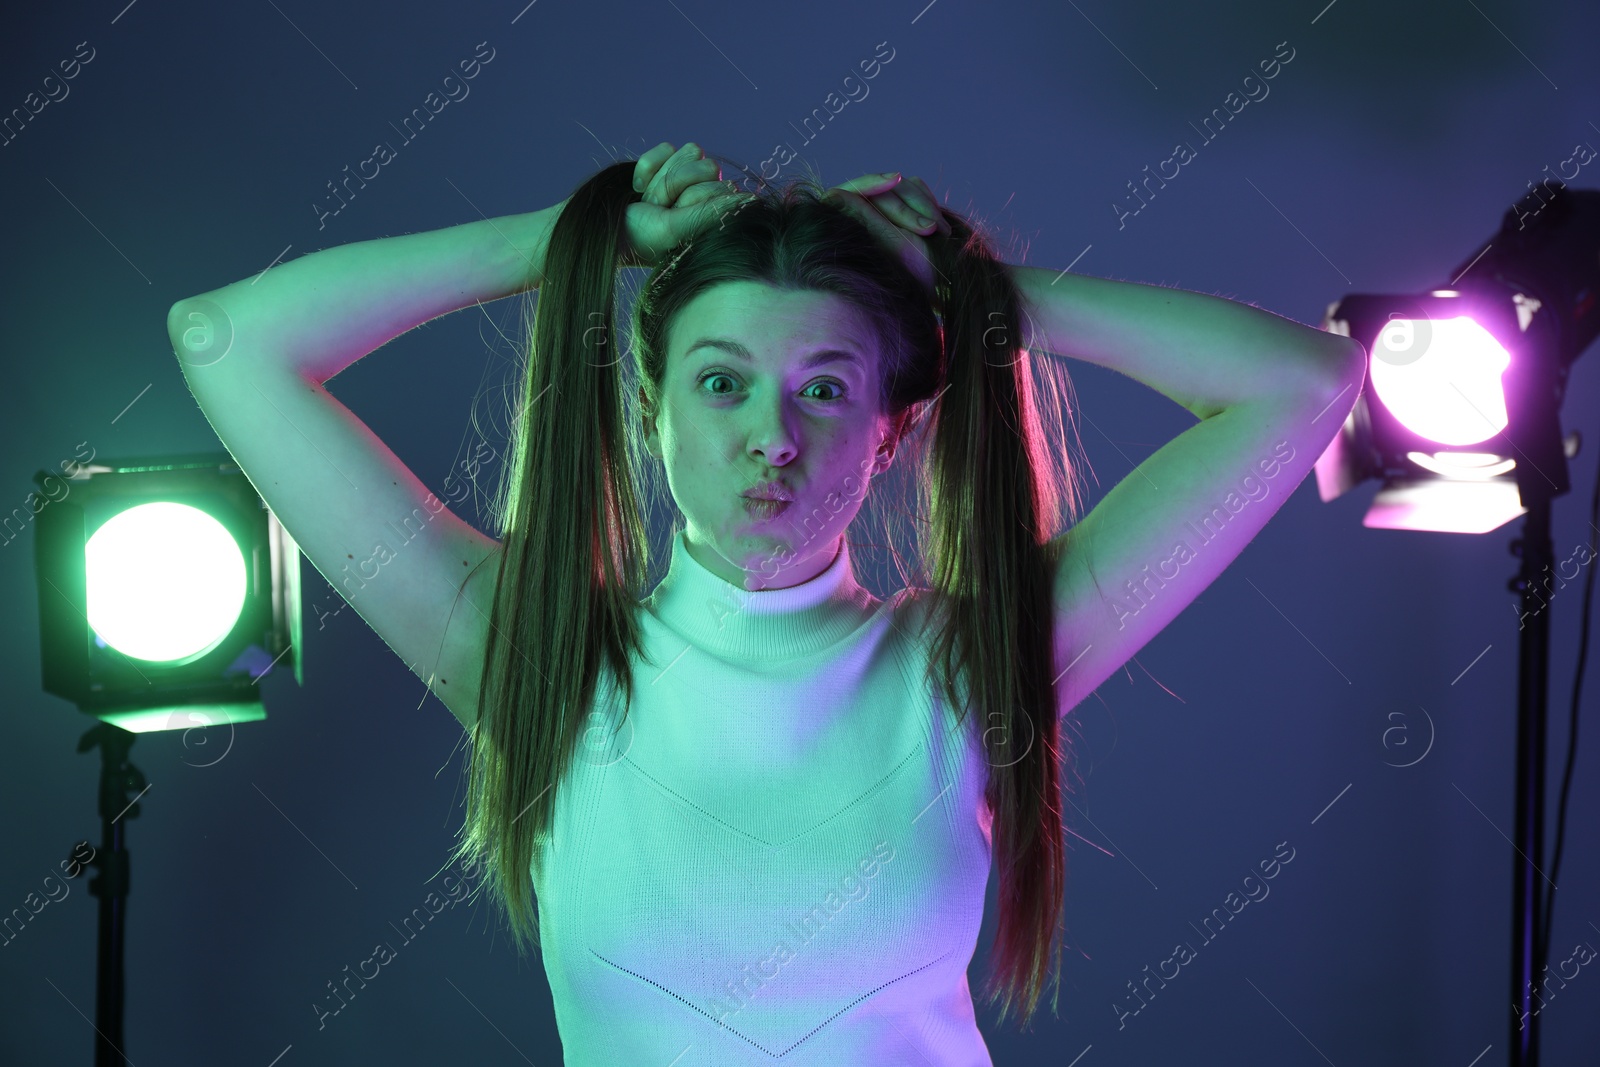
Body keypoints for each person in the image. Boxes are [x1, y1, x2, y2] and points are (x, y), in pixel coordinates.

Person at [166, 140, 1364, 1064]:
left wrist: (982, 291)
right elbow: (225, 336)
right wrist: (571, 241)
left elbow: (1306, 382)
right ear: (654, 410)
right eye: (722, 382)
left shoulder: (969, 665)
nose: (771, 437)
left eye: (826, 387)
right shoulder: (533, 656)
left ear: (892, 429)